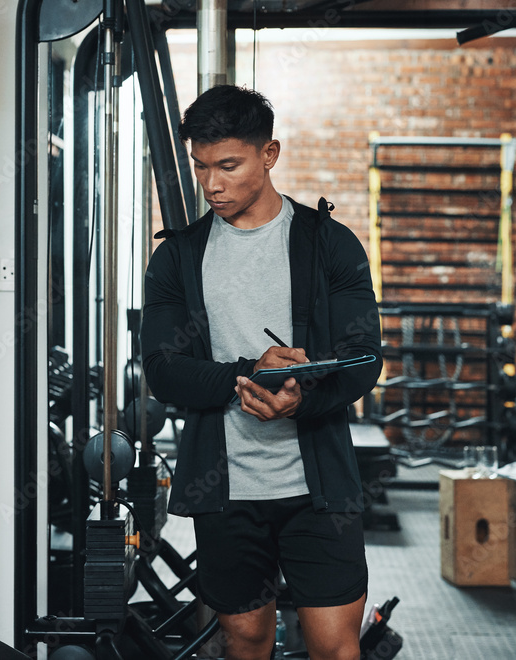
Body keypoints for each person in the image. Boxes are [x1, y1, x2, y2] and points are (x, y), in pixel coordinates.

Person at [141, 85, 382, 660]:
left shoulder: (330, 244)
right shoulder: (177, 256)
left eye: (228, 165)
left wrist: (301, 399)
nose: (211, 184)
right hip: (225, 489)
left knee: (334, 644)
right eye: (200, 167)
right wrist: (248, 374)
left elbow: (363, 357)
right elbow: (163, 370)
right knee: (246, 638)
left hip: (319, 487)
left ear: (268, 154)